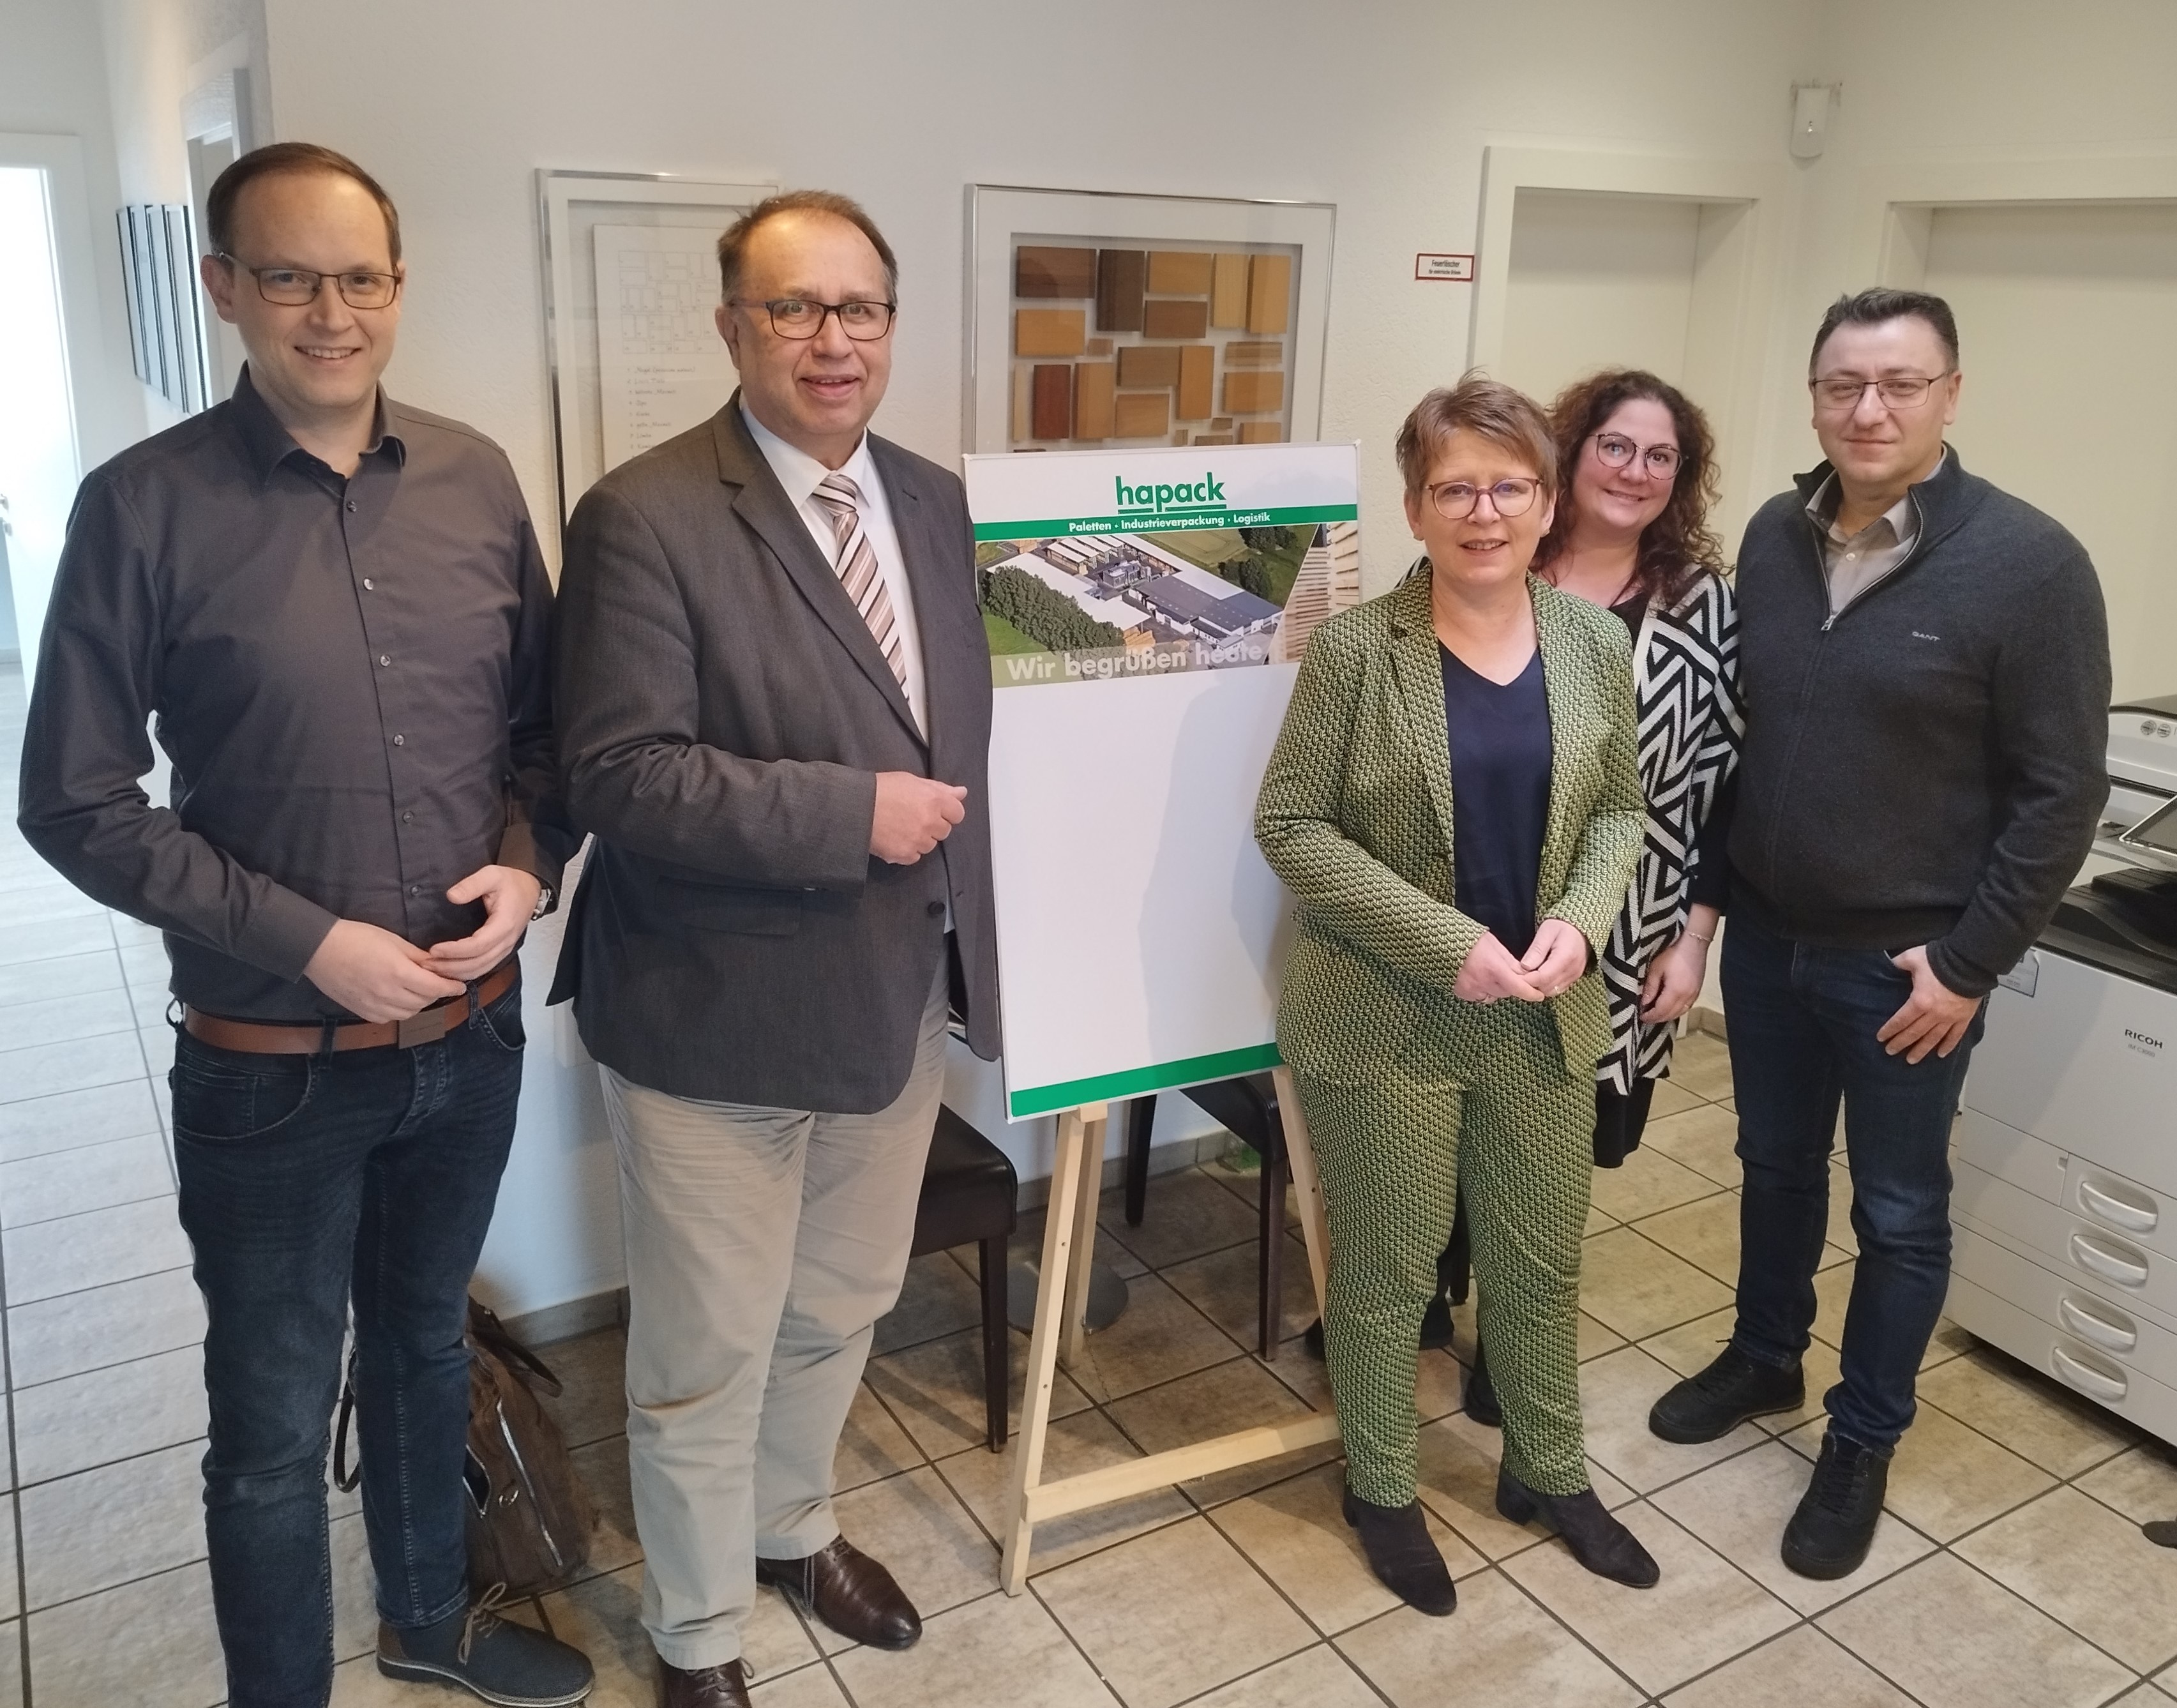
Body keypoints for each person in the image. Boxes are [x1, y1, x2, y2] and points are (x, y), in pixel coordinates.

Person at [16, 144, 592, 1708]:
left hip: (467, 1050)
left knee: (420, 1353)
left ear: (398, 288)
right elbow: (73, 799)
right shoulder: (141, 509)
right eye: (288, 275)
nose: (329, 312)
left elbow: (545, 736)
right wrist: (306, 938)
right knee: (269, 1429)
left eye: (360, 278)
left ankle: (428, 1626)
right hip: (270, 1070)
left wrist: (531, 867)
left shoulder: (475, 479)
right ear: (224, 289)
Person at [550, 190, 999, 1708]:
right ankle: (695, 1634)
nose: (831, 340)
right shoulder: (648, 511)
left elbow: (968, 751)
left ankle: (791, 1527)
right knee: (702, 1352)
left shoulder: (937, 501)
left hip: (890, 1011)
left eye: (858, 309)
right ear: (732, 323)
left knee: (838, 1309)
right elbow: (615, 772)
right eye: (794, 309)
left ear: (890, 324)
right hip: (711, 1015)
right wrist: (845, 811)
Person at [1647, 289, 2110, 1580]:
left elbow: (2058, 791)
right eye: (1843, 383)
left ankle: (1861, 1437)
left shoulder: (2030, 565)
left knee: (1899, 1213)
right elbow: (1747, 745)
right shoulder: (1776, 539)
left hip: (1903, 969)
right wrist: (1707, 915)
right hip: (1773, 943)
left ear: (1949, 395)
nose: (1868, 408)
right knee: (1773, 1168)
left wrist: (1968, 964)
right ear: (1812, 398)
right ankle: (1762, 1356)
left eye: (1900, 383)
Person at [1256, 375, 1655, 1614]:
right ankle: (1380, 1486)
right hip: (1384, 1015)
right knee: (1386, 1275)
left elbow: (1619, 816)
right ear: (1417, 508)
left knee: (1540, 1267)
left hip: (1540, 1015)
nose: (1482, 510)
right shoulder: (1354, 652)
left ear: (1546, 503)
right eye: (1453, 489)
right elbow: (1290, 825)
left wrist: (1581, 931)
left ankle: (1547, 1469)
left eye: (1507, 486)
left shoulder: (1592, 641)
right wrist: (1446, 945)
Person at [1455, 369, 1742, 1424]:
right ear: (1570, 456)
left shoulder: (1704, 606)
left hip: (1629, 924)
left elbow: (1723, 779)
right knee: (1447, 1114)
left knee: (1557, 1142)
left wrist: (1694, 936)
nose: (1634, 471)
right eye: (1615, 447)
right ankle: (1426, 1294)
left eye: (1660, 456)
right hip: (1475, 900)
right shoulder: (1493, 561)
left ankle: (1508, 1334)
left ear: (1681, 478)